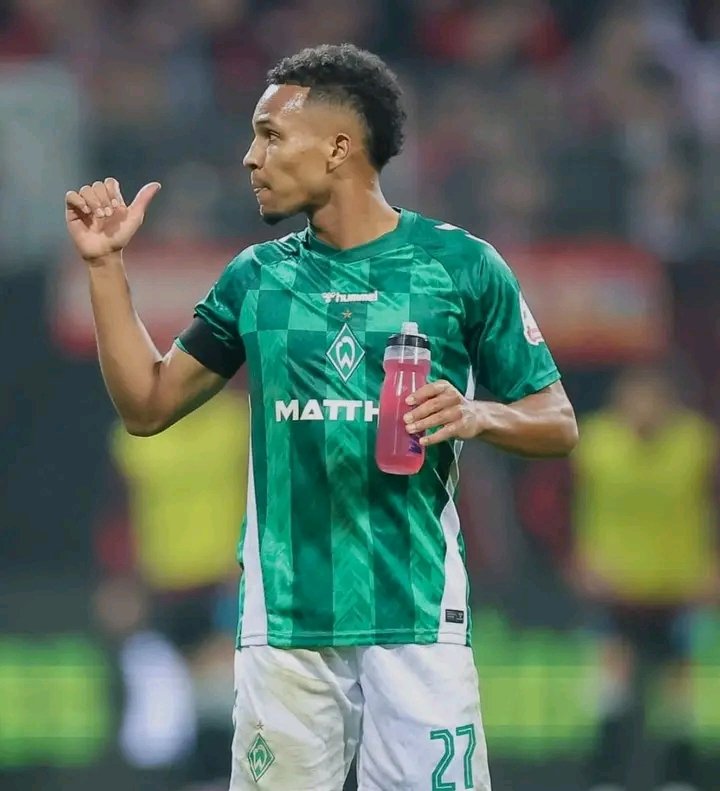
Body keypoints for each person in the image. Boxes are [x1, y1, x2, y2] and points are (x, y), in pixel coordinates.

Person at [65, 43, 578, 791]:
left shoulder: (461, 266)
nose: (251, 157)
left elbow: (556, 419)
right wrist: (105, 267)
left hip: (417, 613)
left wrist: (478, 414)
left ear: (339, 147)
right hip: (286, 622)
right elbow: (146, 405)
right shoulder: (257, 278)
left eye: (271, 135)